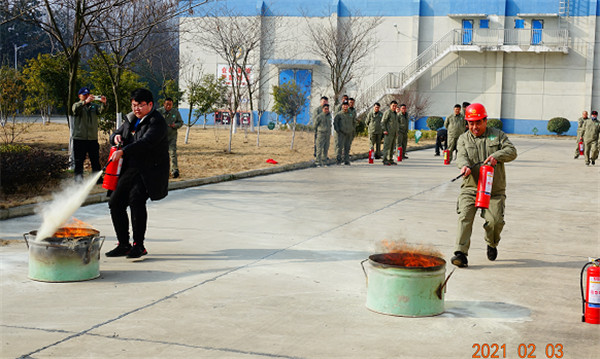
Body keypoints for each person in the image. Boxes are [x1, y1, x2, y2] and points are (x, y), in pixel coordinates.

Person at [105, 88, 170, 259]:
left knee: (136, 200)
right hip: (130, 168)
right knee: (115, 202)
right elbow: (116, 133)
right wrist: (116, 138)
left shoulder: (157, 122)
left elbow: (146, 142)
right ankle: (123, 244)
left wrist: (124, 151)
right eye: (134, 105)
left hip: (150, 170)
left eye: (141, 105)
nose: (137, 109)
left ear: (150, 104)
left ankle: (138, 245)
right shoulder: (131, 119)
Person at [451, 103, 517, 268]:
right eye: (471, 123)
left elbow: (512, 151)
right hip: (471, 188)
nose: (474, 127)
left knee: (495, 222)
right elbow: (461, 156)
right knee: (464, 217)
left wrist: (497, 155)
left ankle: (492, 242)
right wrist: (464, 166)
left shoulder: (497, 135)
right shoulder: (463, 139)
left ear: (485, 121)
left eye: (478, 122)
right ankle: (460, 253)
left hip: (493, 190)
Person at [71, 87, 106, 183]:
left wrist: (103, 103)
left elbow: (101, 112)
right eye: (84, 95)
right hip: (80, 138)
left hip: (92, 138)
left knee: (95, 160)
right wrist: (85, 102)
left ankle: (97, 179)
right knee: (79, 161)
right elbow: (75, 110)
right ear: (79, 96)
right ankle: (78, 180)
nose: (87, 96)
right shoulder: (77, 105)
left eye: (88, 94)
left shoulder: (94, 106)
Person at [157, 97, 184, 178]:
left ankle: (174, 170)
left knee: (173, 153)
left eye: (170, 105)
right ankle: (161, 170)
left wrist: (175, 125)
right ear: (164, 104)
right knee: (161, 154)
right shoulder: (159, 112)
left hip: (172, 137)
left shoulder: (175, 112)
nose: (168, 106)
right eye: (167, 104)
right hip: (161, 137)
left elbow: (181, 122)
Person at [333, 100, 354, 165]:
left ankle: (346, 160)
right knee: (339, 147)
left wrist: (352, 129)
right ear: (342, 106)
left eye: (346, 105)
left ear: (348, 106)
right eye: (344, 105)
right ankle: (338, 160)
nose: (345, 107)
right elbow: (335, 123)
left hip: (349, 133)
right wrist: (338, 130)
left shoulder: (351, 114)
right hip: (341, 133)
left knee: (347, 147)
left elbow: (354, 122)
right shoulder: (339, 114)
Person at [381, 100, 400, 166]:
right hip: (388, 133)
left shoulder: (395, 114)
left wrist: (396, 132)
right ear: (390, 106)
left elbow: (396, 124)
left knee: (392, 147)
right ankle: (385, 159)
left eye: (395, 106)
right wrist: (384, 130)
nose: (394, 107)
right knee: (387, 147)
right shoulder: (388, 112)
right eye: (393, 106)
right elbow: (383, 122)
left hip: (394, 133)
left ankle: (390, 159)